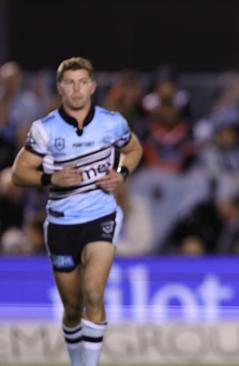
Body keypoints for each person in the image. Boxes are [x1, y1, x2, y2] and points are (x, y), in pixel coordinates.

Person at [11, 57, 142, 366]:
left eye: (83, 82)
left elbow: (133, 149)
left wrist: (121, 174)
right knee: (72, 307)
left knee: (94, 292)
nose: (77, 89)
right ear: (60, 88)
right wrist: (49, 178)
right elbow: (19, 173)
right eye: (70, 82)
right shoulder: (45, 130)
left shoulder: (113, 123)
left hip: (101, 217)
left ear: (93, 86)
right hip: (61, 223)